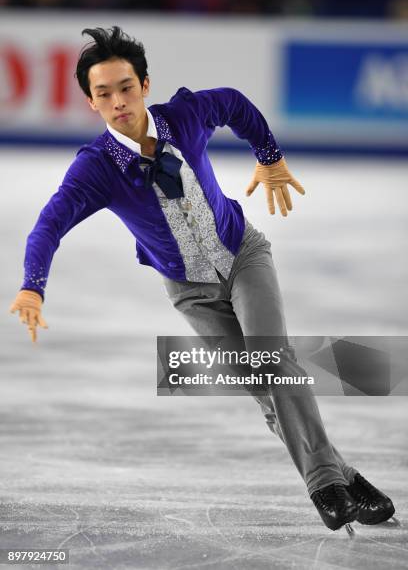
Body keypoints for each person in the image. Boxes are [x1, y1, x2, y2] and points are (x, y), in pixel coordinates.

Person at [9, 26, 395, 533]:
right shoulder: (96, 170)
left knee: (271, 359)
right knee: (265, 388)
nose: (118, 102)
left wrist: (269, 155)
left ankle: (324, 484)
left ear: (145, 84)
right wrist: (32, 284)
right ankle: (346, 477)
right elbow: (49, 223)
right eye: (104, 94)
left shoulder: (184, 117)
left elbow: (235, 104)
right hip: (191, 293)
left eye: (126, 87)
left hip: (242, 257)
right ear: (91, 102)